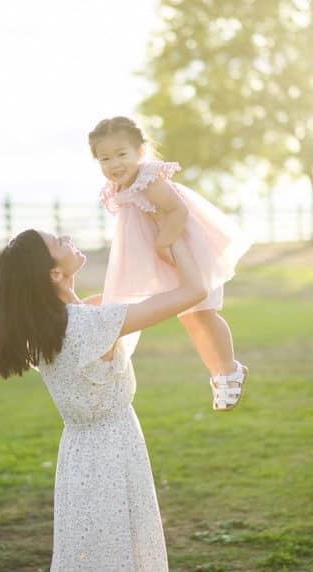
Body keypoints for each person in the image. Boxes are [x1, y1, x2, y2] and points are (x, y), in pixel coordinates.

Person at [0, 228, 207, 571]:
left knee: (93, 549)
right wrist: (174, 235)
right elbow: (195, 291)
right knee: (119, 549)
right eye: (58, 242)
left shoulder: (45, 328)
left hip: (78, 452)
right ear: (54, 273)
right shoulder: (92, 323)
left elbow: (126, 291)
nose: (66, 236)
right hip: (112, 450)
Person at [89, 116, 252, 411]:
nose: (114, 164)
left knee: (203, 313)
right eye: (105, 158)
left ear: (141, 151)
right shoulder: (121, 185)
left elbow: (177, 211)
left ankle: (229, 370)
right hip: (166, 252)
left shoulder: (147, 178)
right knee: (189, 317)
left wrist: (164, 241)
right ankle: (218, 373)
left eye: (121, 154)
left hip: (184, 246)